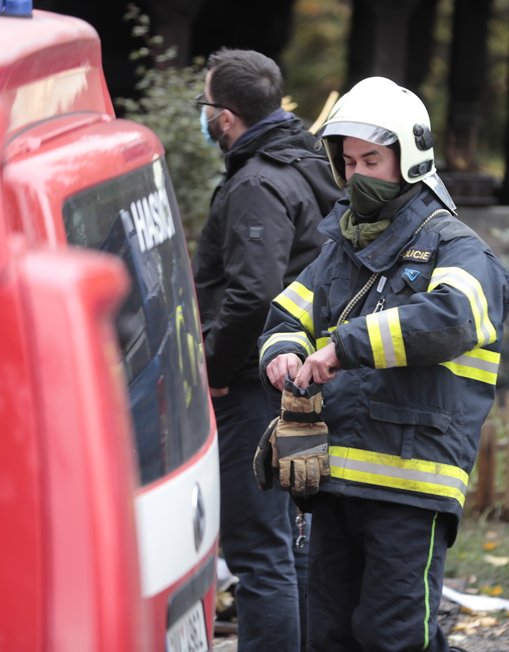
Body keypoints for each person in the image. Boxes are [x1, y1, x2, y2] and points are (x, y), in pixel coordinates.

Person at [258, 76, 509, 652]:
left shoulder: (459, 249)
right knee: (328, 635)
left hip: (409, 484)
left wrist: (342, 346)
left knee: (392, 637)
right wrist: (284, 354)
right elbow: (284, 318)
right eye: (348, 161)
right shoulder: (339, 250)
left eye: (372, 159)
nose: (356, 175)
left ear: (411, 157)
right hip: (334, 478)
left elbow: (452, 319)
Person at [192, 47, 341, 651]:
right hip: (295, 379)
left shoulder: (257, 181)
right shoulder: (305, 161)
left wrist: (215, 367)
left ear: (225, 117)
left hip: (257, 389)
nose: (203, 117)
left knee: (259, 553)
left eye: (205, 105)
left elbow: (253, 292)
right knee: (289, 546)